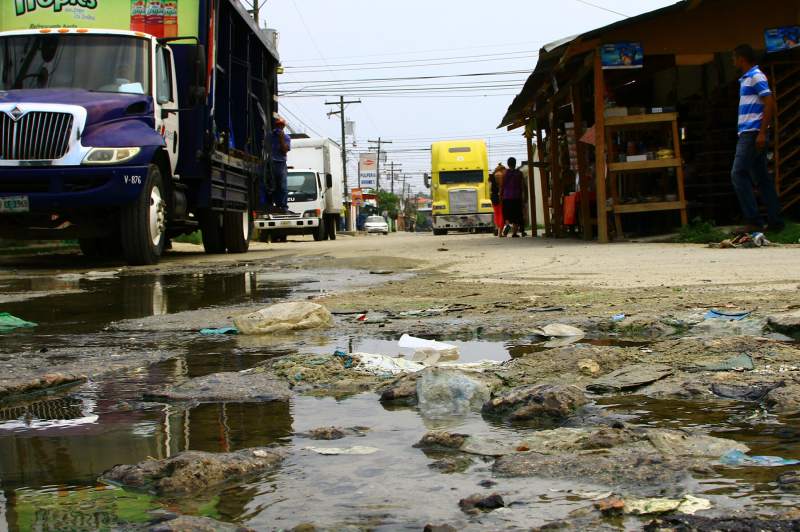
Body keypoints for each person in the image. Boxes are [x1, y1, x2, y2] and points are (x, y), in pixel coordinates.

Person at [731, 44, 784, 232]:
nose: (733, 61)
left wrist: (762, 132)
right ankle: (776, 221)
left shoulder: (755, 76)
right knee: (762, 177)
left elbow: (769, 102)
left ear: (741, 59)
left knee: (738, 174)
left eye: (734, 57)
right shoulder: (747, 78)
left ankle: (754, 220)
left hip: (751, 133)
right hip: (751, 132)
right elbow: (768, 103)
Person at [271, 117, 291, 214]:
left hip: (281, 163)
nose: (279, 127)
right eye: (277, 125)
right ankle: (277, 205)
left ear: (283, 127)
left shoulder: (286, 137)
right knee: (273, 186)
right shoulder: (270, 136)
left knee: (282, 186)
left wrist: (281, 139)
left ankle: (283, 206)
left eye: (281, 126)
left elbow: (284, 151)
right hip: (271, 163)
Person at [502, 157, 525, 238]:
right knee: (516, 215)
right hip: (516, 196)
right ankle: (514, 233)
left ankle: (507, 225)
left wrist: (501, 195)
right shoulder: (519, 173)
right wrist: (523, 195)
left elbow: (502, 185)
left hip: (507, 196)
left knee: (507, 214)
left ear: (508, 164)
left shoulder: (504, 173)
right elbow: (522, 186)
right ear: (515, 164)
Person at [489, 163, 506, 236]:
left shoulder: (491, 176)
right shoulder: (500, 175)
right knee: (501, 213)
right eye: (504, 170)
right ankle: (500, 230)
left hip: (493, 196)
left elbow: (490, 188)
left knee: (496, 213)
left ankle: (497, 228)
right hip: (499, 196)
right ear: (501, 169)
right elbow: (500, 187)